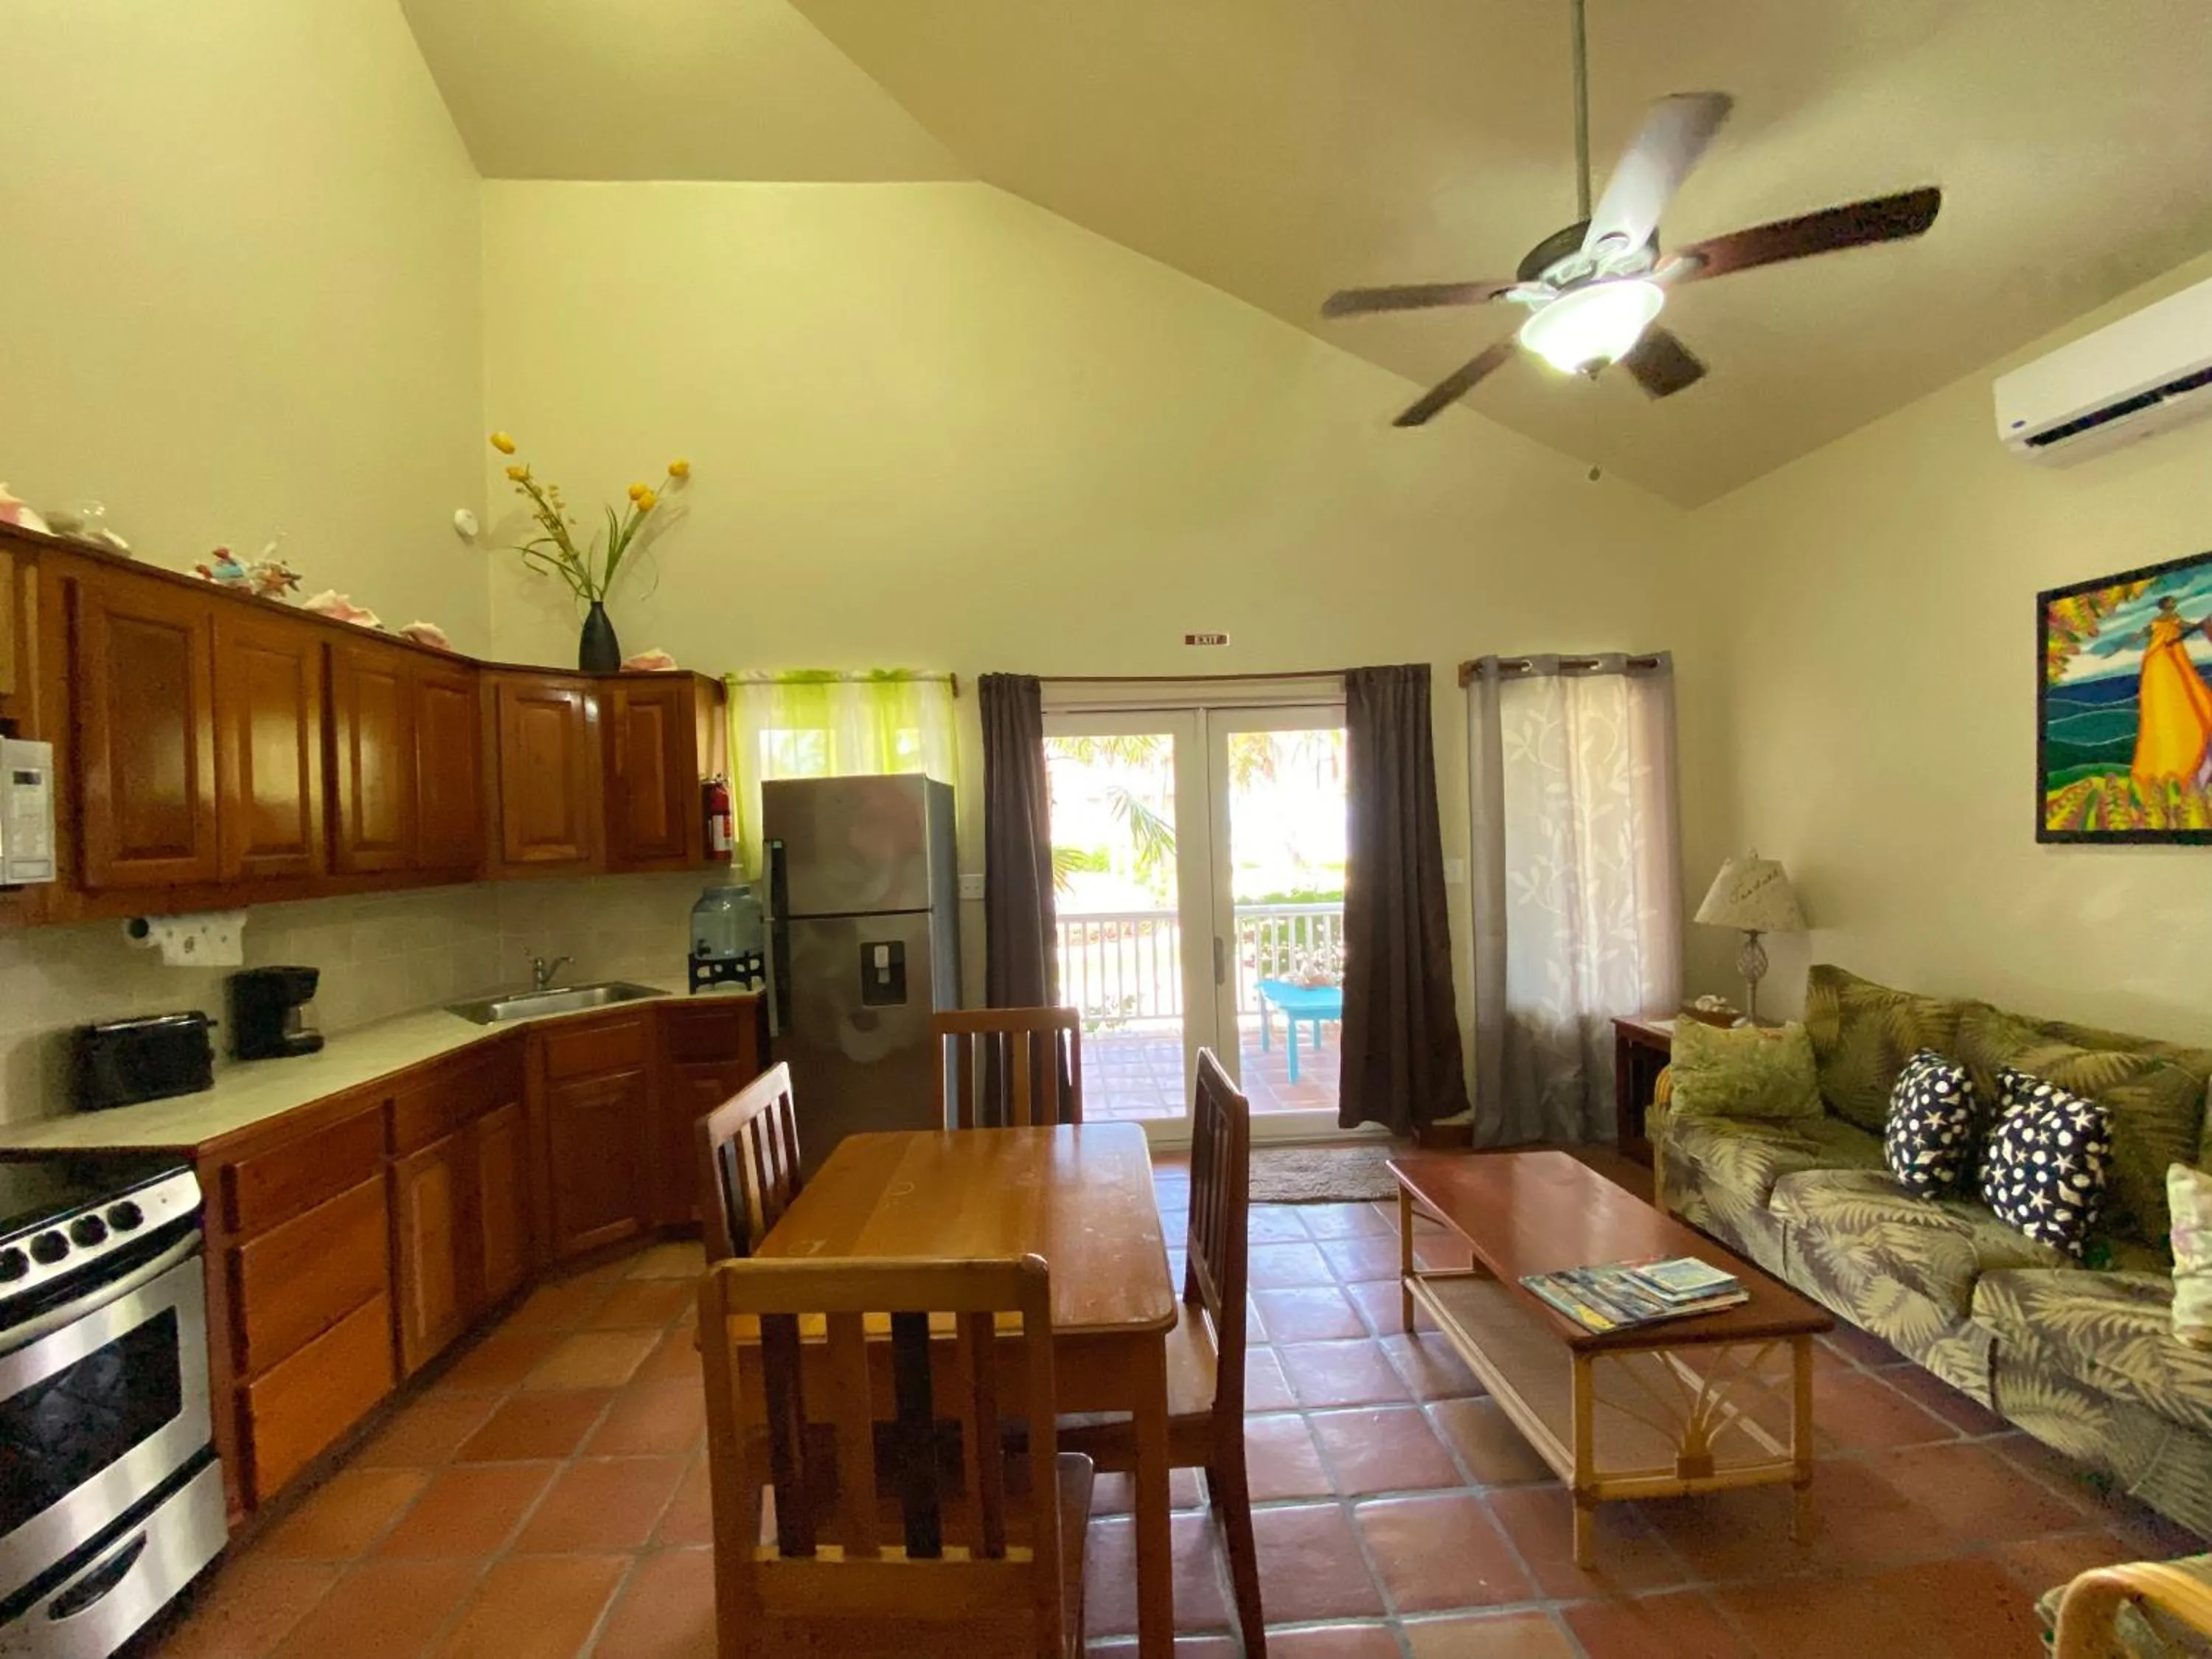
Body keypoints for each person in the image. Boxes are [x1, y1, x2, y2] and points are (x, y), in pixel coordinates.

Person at [2131, 594, 2212, 792]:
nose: (2172, 606)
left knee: (2186, 692)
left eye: (2172, 604)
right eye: (2169, 603)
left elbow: (2187, 626)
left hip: (2173, 655)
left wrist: (2201, 625)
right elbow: (2144, 633)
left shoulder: (2175, 619)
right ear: (2163, 606)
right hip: (2159, 655)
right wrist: (2133, 638)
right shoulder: (2157, 621)